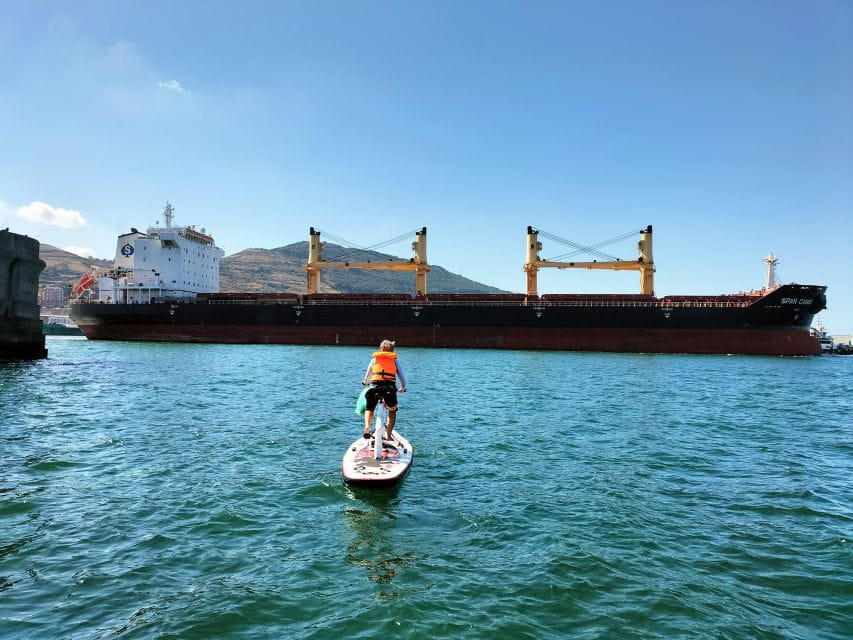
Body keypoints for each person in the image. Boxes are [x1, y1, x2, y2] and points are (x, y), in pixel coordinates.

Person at [361, 339, 407, 441]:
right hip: (389, 389)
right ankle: (389, 435)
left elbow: (368, 376)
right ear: (392, 350)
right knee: (392, 409)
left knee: (369, 409)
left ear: (381, 349)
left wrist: (365, 382)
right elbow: (401, 376)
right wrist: (402, 387)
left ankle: (367, 427)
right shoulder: (394, 360)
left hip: (374, 387)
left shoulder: (374, 360)